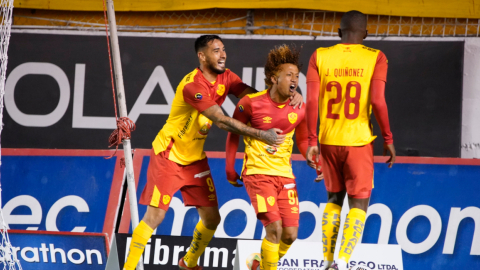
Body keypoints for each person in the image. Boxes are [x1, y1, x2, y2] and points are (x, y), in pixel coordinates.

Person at [122, 35, 304, 270]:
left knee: (212, 219)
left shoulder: (227, 77)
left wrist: (289, 95)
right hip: (169, 155)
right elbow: (221, 121)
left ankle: (188, 263)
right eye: (216, 51)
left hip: (195, 160)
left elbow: (259, 99)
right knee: (155, 217)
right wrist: (262, 135)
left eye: (224, 49)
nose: (223, 55)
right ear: (202, 56)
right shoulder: (192, 86)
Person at [305, 11, 396, 270]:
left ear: (338, 32)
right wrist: (387, 137)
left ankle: (327, 261)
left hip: (328, 141)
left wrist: (313, 140)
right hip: (358, 141)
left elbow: (311, 101)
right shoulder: (375, 57)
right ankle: (343, 263)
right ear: (365, 34)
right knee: (359, 204)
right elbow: (378, 101)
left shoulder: (319, 56)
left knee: (334, 200)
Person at [225, 44, 314, 270]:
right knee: (273, 228)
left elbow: (303, 141)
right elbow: (233, 132)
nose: (294, 79)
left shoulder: (300, 107)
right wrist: (229, 167)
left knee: (290, 235)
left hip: (285, 176)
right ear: (274, 78)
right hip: (258, 174)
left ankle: (261, 261)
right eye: (289, 75)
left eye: (296, 75)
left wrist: (313, 159)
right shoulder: (251, 103)